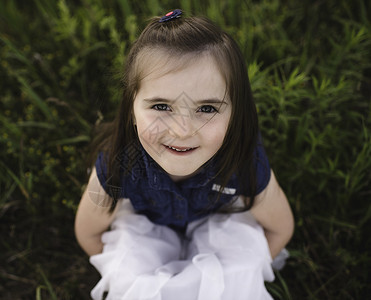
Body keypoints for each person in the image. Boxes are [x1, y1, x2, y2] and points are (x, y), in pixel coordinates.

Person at [75, 9, 294, 300]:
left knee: (239, 269)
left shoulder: (243, 161)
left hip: (219, 219)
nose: (182, 131)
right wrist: (122, 273)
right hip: (146, 225)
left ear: (235, 114)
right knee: (134, 275)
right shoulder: (118, 165)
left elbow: (280, 229)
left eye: (207, 109)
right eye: (161, 106)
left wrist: (245, 272)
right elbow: (89, 234)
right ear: (132, 110)